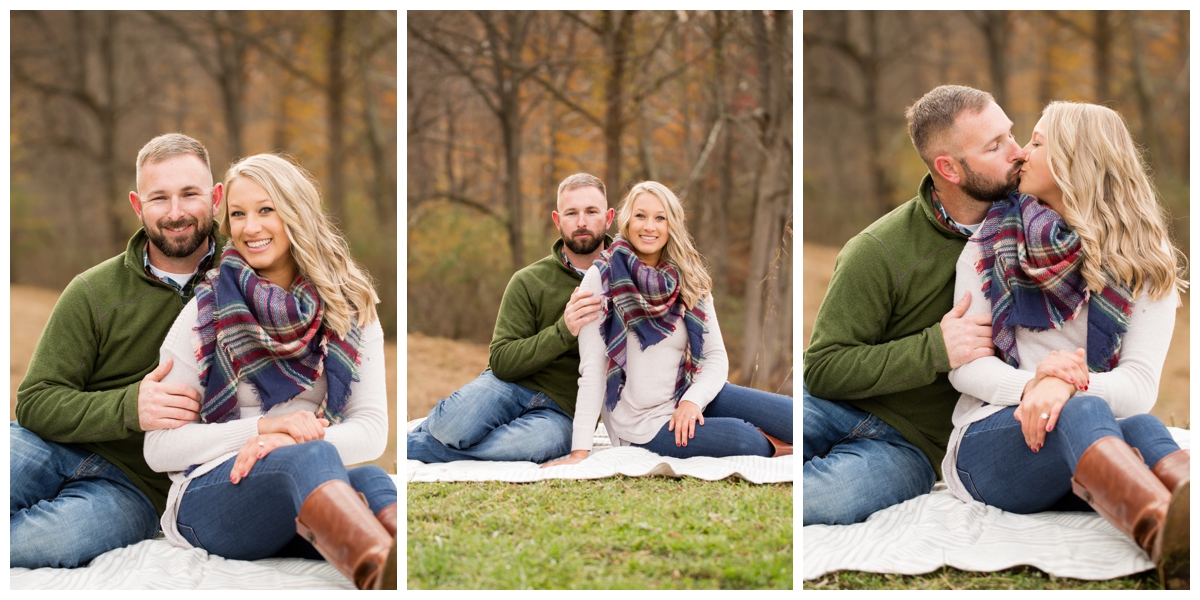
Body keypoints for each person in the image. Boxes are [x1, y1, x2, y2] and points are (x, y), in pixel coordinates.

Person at [943, 101, 1190, 588]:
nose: (1021, 154)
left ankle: (1188, 523)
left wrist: (1062, 388)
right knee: (1083, 411)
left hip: (1089, 450)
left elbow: (1139, 387)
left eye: (1036, 142)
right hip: (990, 445)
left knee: (1139, 422)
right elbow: (965, 368)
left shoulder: (1147, 257)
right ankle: (1165, 540)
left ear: (1076, 158)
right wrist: (1039, 383)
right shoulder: (990, 244)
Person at [141, 154, 396, 589]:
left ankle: (398, 565)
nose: (250, 227)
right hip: (209, 501)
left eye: (266, 210)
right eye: (237, 214)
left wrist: (280, 442)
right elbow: (159, 449)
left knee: (370, 477)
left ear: (296, 213)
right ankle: (380, 574)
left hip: (292, 496)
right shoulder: (205, 312)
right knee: (311, 455)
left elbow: (371, 431)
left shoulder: (350, 307)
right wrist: (261, 431)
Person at [803, 85, 1021, 526]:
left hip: (908, 445)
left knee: (810, 504)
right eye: (995, 146)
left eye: (1011, 135)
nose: (1017, 152)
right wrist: (936, 350)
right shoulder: (878, 249)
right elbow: (823, 368)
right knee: (746, 455)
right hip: (832, 408)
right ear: (949, 168)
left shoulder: (1035, 233)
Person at [11, 133, 224, 568]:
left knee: (32, 546)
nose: (176, 212)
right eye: (159, 198)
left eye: (190, 194)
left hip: (137, 489)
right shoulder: (92, 290)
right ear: (137, 205)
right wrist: (131, 407)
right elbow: (34, 401)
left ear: (216, 197)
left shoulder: (245, 287)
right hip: (55, 445)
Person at [542, 181, 792, 468]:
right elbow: (593, 370)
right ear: (626, 221)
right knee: (743, 439)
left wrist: (692, 401)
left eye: (660, 217)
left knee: (793, 415)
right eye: (641, 216)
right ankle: (783, 449)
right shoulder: (601, 278)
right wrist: (579, 453)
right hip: (643, 423)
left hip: (688, 393)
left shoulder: (688, 276)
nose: (650, 226)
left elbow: (714, 356)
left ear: (672, 224)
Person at [406, 173, 613, 463]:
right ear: (557, 220)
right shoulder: (528, 280)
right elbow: (501, 360)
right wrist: (563, 330)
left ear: (609, 217)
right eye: (571, 213)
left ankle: (414, 446)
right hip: (510, 385)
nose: (582, 222)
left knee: (534, 446)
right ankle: (435, 429)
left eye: (591, 212)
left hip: (563, 410)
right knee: (449, 425)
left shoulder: (625, 280)